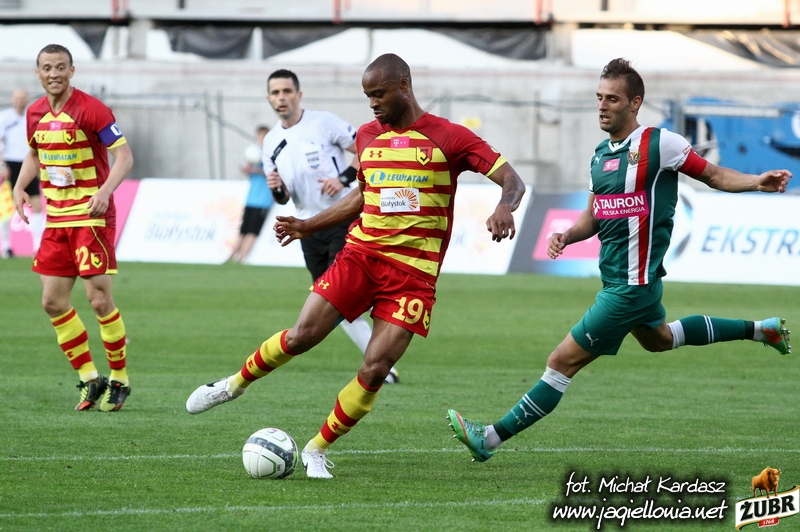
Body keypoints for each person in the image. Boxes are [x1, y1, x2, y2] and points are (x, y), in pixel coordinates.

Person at [186, 54, 526, 478]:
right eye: (368, 96)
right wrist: (308, 225)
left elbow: (512, 180)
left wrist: (505, 206)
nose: (372, 104)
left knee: (376, 368)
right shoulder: (367, 136)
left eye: (379, 94)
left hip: (413, 276)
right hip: (360, 257)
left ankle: (315, 449)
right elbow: (365, 195)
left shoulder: (450, 136)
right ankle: (232, 385)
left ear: (404, 86)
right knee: (301, 336)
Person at [447, 57, 792, 463]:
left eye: (612, 99)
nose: (602, 105)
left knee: (560, 363)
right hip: (623, 281)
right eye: (599, 97)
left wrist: (756, 182)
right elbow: (593, 216)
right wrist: (566, 235)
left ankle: (489, 438)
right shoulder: (599, 156)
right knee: (660, 339)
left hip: (630, 287)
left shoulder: (660, 144)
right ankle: (762, 330)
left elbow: (713, 175)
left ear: (634, 103)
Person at [13, 44, 135, 412]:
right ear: (38, 73)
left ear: (72, 70)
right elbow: (35, 154)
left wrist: (105, 191)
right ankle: (88, 377)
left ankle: (119, 379)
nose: (54, 73)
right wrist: (19, 185)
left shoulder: (93, 109)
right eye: (47, 68)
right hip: (57, 219)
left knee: (99, 300)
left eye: (61, 67)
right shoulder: (35, 112)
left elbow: (124, 156)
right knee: (52, 302)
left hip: (91, 217)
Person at [261, 68, 397, 384]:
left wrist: (343, 178)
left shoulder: (323, 122)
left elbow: (367, 150)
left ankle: (384, 364)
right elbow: (282, 198)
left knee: (342, 295)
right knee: (333, 300)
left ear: (298, 94)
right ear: (269, 98)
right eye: (275, 93)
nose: (281, 97)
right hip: (307, 227)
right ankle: (381, 364)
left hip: (342, 218)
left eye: (286, 91)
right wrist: (277, 189)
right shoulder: (271, 142)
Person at [1, 89, 44, 258]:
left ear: (27, 100)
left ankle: (38, 246)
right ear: (13, 100)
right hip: (10, 164)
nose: (19, 101)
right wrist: (2, 164)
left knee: (36, 204)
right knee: (6, 206)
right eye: (17, 98)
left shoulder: (32, 118)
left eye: (23, 98)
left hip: (29, 164)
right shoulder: (4, 118)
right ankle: (6, 246)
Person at [227, 125, 273, 264]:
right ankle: (231, 256)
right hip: (251, 198)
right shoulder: (255, 154)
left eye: (264, 136)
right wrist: (248, 170)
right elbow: (252, 173)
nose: (261, 139)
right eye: (259, 136)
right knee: (243, 229)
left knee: (253, 230)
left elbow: (274, 173)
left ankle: (242, 257)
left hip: (264, 199)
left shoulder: (272, 155)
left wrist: (258, 170)